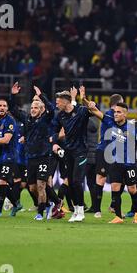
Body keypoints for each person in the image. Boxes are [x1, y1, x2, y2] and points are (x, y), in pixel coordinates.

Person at [9, 83, 59, 221]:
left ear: (41, 109)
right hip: (30, 158)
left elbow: (52, 109)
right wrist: (13, 95)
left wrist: (41, 95)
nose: (33, 109)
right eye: (31, 107)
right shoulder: (26, 119)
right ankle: (49, 204)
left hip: (43, 157)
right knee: (32, 188)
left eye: (36, 107)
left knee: (41, 185)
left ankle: (41, 212)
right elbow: (13, 109)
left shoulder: (45, 119)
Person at [87, 101, 137, 224]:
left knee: (132, 189)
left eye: (119, 112)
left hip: (129, 164)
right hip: (114, 162)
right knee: (115, 188)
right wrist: (87, 102)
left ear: (125, 114)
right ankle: (118, 216)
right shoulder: (110, 122)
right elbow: (95, 111)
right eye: (115, 111)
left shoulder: (132, 129)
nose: (116, 114)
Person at [51, 86, 92, 223]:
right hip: (68, 152)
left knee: (76, 181)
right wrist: (55, 141)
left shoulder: (81, 111)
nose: (56, 104)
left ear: (65, 102)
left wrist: (86, 100)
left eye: (58, 102)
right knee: (69, 182)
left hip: (81, 151)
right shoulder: (60, 116)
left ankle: (81, 211)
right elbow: (54, 132)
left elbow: (92, 109)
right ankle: (76, 211)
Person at [92, 94, 124, 218]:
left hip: (117, 152)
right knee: (101, 179)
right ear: (116, 104)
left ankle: (113, 206)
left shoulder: (119, 116)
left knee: (120, 180)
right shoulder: (110, 115)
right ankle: (97, 210)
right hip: (105, 150)